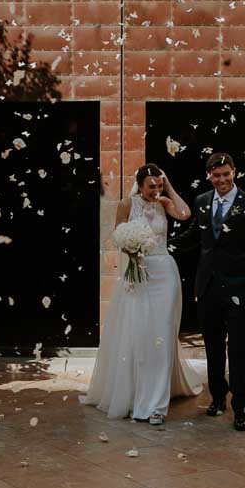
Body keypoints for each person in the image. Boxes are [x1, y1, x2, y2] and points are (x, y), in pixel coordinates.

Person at [83, 164, 202, 425]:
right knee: (139, 333)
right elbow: (117, 236)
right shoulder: (127, 204)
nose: (155, 191)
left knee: (162, 333)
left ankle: (157, 405)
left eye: (159, 185)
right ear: (139, 184)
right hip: (138, 274)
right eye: (152, 186)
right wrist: (130, 250)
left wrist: (168, 185)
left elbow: (185, 213)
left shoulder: (164, 202)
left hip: (164, 272)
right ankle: (135, 392)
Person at [170, 152, 245, 432]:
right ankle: (218, 397)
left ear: (234, 172)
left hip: (241, 288)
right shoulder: (202, 202)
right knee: (214, 347)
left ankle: (241, 407)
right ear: (209, 176)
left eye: (226, 174)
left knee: (240, 349)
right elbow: (194, 237)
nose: (221, 180)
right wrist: (159, 245)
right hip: (207, 287)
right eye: (216, 175)